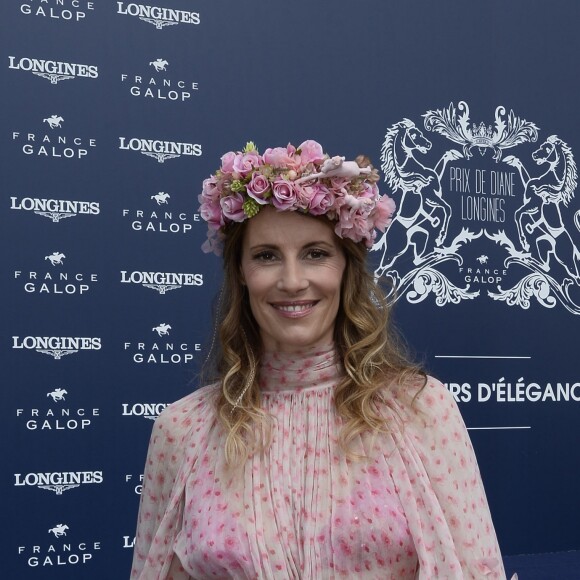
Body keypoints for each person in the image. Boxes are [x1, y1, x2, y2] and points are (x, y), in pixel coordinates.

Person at [131, 140, 508, 579]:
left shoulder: (420, 410)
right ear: (241, 274)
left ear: (347, 268)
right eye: (267, 256)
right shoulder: (183, 431)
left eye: (316, 254)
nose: (292, 281)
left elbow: (479, 569)